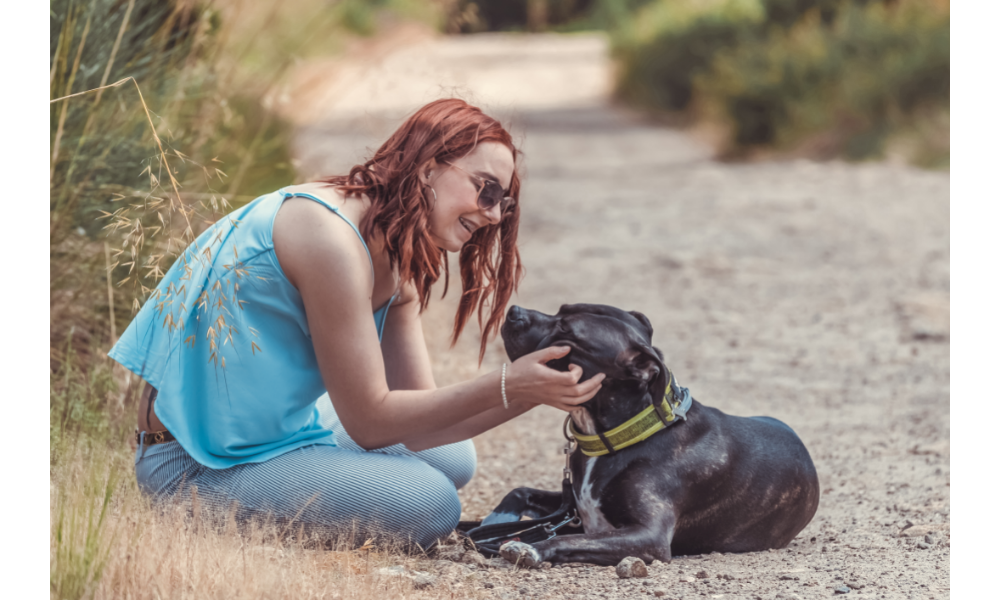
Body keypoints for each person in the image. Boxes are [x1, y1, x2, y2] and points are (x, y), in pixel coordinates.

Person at [110, 98, 606, 549]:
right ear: (429, 169)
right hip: (195, 463)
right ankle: (197, 509)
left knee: (455, 458)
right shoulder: (330, 238)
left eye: (505, 202)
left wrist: (534, 392)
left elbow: (423, 424)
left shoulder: (396, 251)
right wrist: (507, 383)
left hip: (273, 433)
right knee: (432, 502)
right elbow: (371, 423)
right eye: (486, 190)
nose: (494, 214)